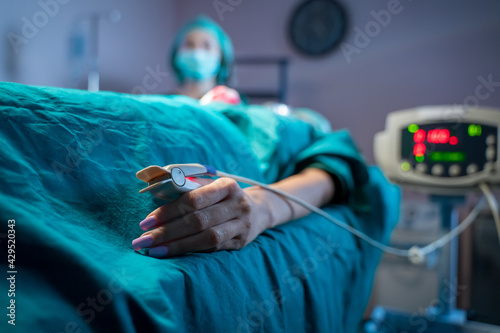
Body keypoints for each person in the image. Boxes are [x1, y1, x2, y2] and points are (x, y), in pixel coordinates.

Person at [169, 15, 241, 104]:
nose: (196, 53)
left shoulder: (231, 104)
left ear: (222, 56)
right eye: (189, 44)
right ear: (176, 53)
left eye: (207, 46)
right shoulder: (164, 104)